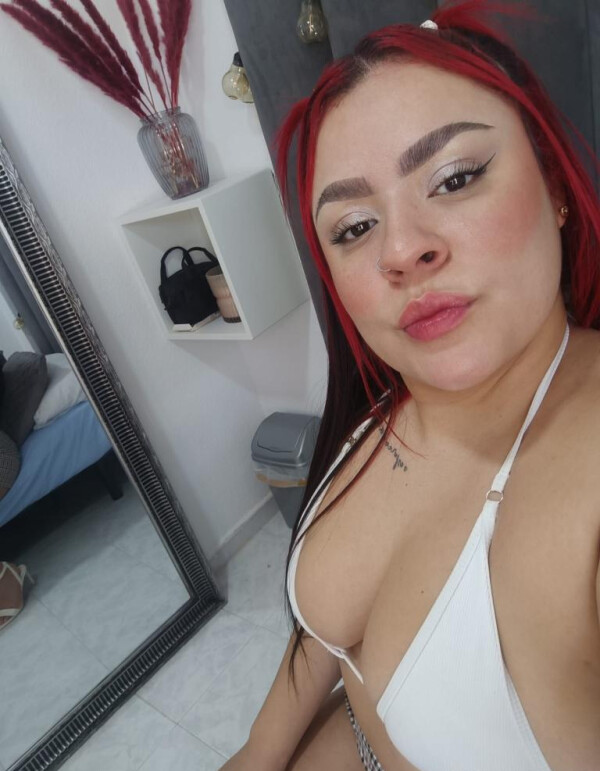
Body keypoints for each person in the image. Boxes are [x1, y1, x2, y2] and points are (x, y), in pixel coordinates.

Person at [220, 2, 600, 769]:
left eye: (453, 178)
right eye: (354, 227)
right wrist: (257, 753)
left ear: (556, 184)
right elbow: (325, 631)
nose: (400, 249)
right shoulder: (387, 410)